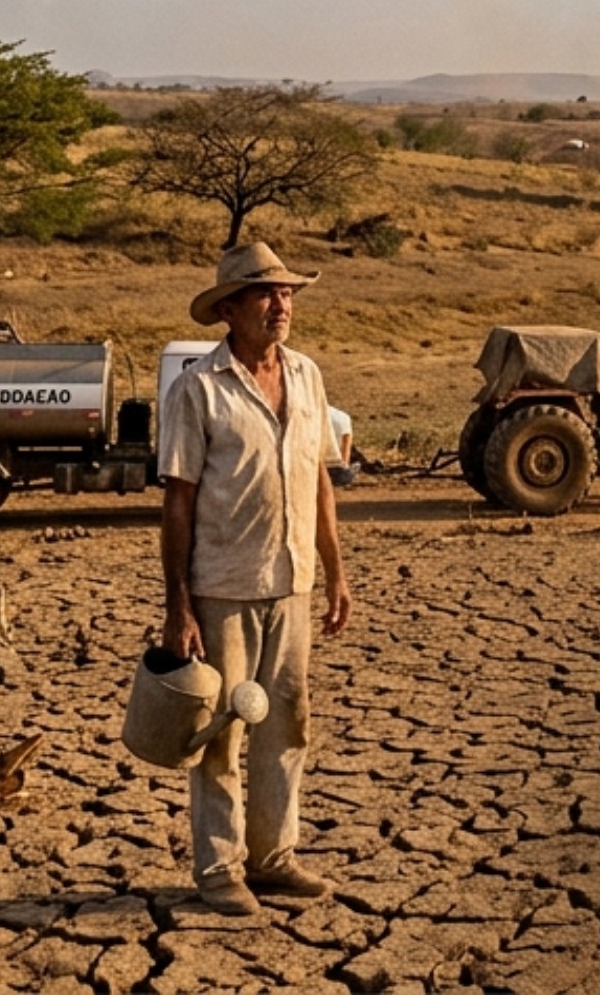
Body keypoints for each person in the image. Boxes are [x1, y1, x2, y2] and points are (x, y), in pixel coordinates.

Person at [158, 241, 353, 917]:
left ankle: (273, 860)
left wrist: (335, 573)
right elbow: (178, 500)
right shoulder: (198, 389)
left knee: (287, 727)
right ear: (229, 310)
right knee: (222, 733)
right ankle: (219, 871)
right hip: (223, 589)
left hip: (291, 585)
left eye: (288, 293)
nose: (282, 305)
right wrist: (179, 606)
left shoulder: (306, 376)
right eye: (267, 294)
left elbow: (319, 478)